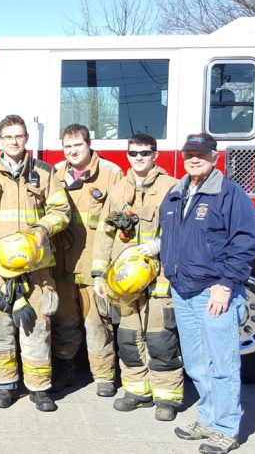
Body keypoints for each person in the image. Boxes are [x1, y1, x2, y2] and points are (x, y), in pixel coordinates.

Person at [159, 133, 255, 454]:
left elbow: (245, 243)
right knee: (197, 364)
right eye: (189, 154)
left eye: (200, 154)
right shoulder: (175, 194)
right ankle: (206, 417)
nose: (194, 159)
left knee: (222, 363)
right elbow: (170, 239)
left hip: (215, 291)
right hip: (183, 290)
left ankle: (226, 428)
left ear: (215, 157)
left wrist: (227, 284)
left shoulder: (230, 194)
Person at [0, 114, 70, 412]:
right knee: (1, 329)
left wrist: (42, 229)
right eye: (8, 137)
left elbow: (61, 210)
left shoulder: (45, 173)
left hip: (36, 269)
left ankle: (39, 388)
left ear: (26, 138)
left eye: (19, 136)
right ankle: (5, 386)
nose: (14, 142)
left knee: (38, 328)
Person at [91, 133, 184, 421]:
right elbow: (104, 235)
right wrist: (98, 276)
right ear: (127, 156)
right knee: (129, 338)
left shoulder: (173, 188)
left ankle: (166, 397)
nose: (139, 158)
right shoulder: (118, 191)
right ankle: (136, 391)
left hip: (160, 280)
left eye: (145, 153)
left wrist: (160, 244)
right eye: (134, 153)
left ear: (155, 155)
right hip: (125, 282)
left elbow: (184, 229)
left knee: (161, 339)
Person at [50, 124, 123, 397]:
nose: (72, 151)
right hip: (63, 264)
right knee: (64, 321)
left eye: (77, 146)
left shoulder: (111, 173)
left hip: (96, 264)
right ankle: (65, 371)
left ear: (88, 145)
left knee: (98, 323)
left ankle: (104, 377)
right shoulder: (55, 174)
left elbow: (119, 217)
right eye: (67, 147)